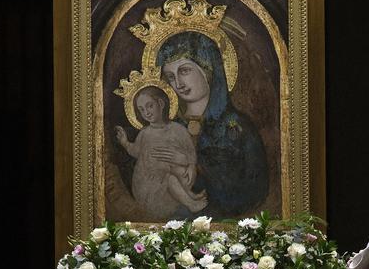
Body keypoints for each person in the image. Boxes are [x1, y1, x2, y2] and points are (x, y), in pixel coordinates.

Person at [157, 32, 269, 219]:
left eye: (184, 71)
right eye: (170, 76)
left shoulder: (238, 127)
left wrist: (199, 167)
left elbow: (255, 188)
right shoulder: (169, 127)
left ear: (208, 70)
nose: (178, 83)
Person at [115, 86, 208, 220]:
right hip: (149, 186)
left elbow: (190, 152)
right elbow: (136, 151)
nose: (146, 112)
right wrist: (125, 143)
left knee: (176, 170)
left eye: (149, 106)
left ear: (161, 104)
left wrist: (190, 165)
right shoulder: (145, 133)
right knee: (169, 177)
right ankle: (190, 203)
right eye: (141, 110)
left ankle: (189, 194)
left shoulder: (178, 130)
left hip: (170, 179)